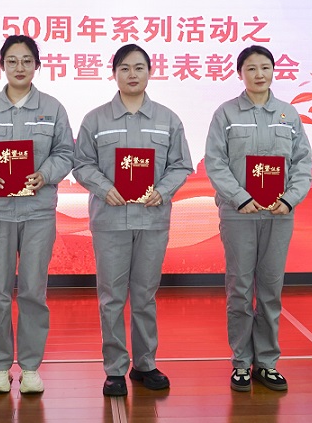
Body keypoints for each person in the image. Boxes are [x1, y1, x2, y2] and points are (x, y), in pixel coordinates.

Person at [0, 35, 74, 394]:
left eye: (26, 60)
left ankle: (31, 367)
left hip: (38, 212)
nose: (19, 67)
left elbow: (66, 152)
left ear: (37, 65)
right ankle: (0, 367)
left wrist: (46, 174)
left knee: (34, 291)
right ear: (2, 65)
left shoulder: (53, 108)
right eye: (12, 61)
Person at [73, 43, 193, 396]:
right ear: (114, 74)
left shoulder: (168, 120)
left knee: (144, 295)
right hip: (110, 219)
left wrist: (163, 191)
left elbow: (181, 165)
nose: (132, 74)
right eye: (124, 68)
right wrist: (104, 187)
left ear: (150, 72)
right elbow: (81, 164)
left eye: (139, 67)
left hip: (152, 219)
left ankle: (145, 364)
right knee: (111, 296)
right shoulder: (95, 120)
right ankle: (114, 369)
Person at [204, 45, 312, 393]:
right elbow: (215, 162)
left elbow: (303, 163)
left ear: (273, 71)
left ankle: (266, 362)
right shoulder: (226, 114)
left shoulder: (288, 114)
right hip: (239, 214)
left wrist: (290, 199)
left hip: (278, 215)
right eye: (251, 68)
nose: (259, 74)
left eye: (265, 67)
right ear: (240, 74)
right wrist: (241, 197)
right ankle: (240, 362)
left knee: (270, 289)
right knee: (239, 288)